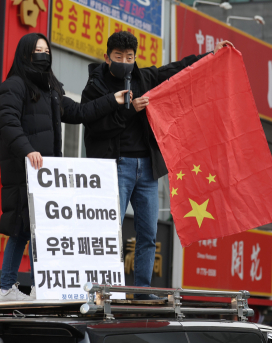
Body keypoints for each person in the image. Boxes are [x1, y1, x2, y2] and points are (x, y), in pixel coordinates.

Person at [81, 31, 232, 298]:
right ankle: (103, 289)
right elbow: (94, 126)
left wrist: (211, 55)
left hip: (148, 168)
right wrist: (130, 110)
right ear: (107, 57)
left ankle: (142, 290)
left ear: (135, 57)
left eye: (129, 57)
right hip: (115, 166)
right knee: (107, 231)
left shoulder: (145, 78)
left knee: (148, 234)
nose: (125, 61)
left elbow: (176, 70)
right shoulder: (95, 87)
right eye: (119, 56)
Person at [0, 32, 130, 302]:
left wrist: (112, 100)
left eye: (46, 51)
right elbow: (7, 122)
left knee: (33, 231)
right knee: (23, 229)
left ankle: (26, 288)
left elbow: (80, 112)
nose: (43, 56)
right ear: (25, 55)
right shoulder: (14, 86)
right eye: (37, 52)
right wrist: (28, 150)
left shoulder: (51, 90)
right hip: (24, 172)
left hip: (45, 176)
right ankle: (9, 288)